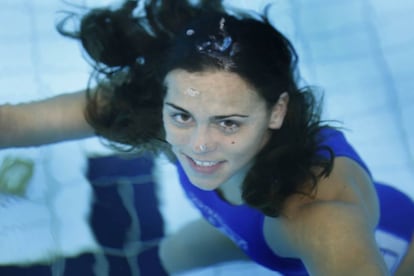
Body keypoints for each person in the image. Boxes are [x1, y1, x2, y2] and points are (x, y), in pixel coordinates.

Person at [1, 0, 413, 275]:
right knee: (165, 258)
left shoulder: (320, 214)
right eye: (181, 116)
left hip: (393, 247)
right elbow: (17, 124)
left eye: (229, 123)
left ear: (278, 111)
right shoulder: (166, 105)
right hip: (245, 221)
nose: (198, 145)